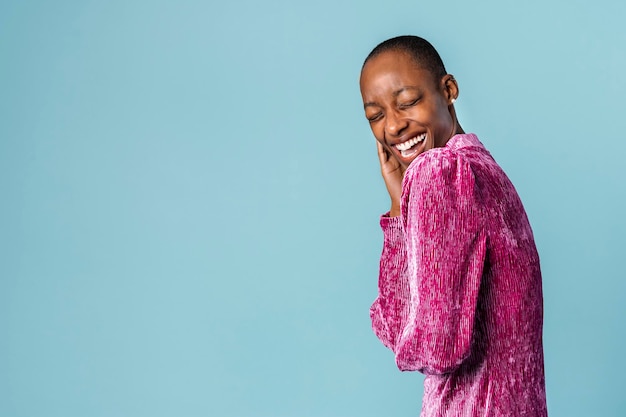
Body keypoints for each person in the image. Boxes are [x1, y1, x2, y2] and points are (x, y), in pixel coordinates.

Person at [359, 35, 547, 416]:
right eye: (375, 115)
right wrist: (402, 207)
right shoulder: (487, 173)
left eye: (408, 102)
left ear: (448, 90)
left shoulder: (438, 172)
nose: (393, 126)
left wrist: (398, 217)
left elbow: (430, 345)